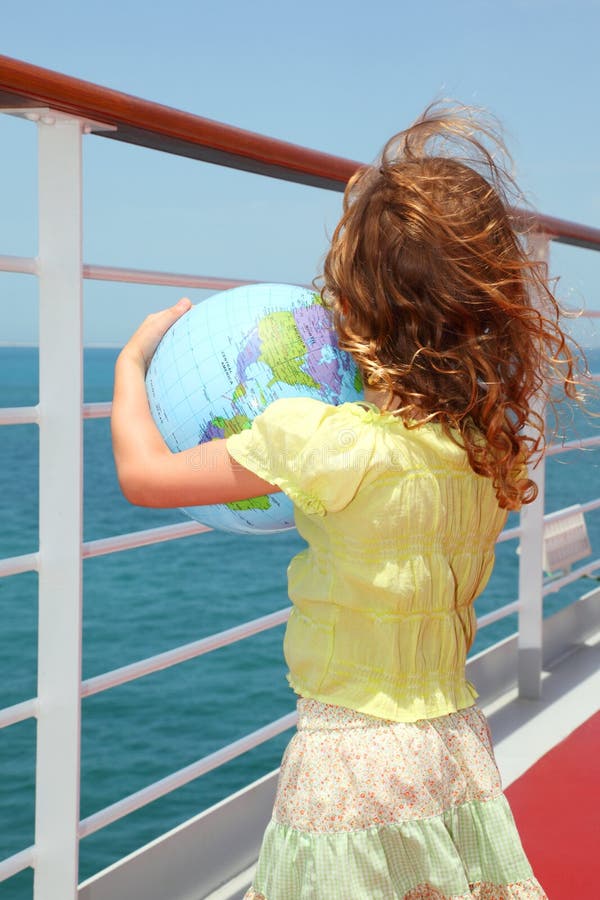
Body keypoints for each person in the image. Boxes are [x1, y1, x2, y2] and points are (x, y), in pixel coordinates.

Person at [111, 103, 581, 898]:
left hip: (347, 761)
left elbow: (147, 476)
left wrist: (132, 362)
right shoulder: (479, 448)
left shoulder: (322, 442)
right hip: (449, 746)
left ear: (356, 308)